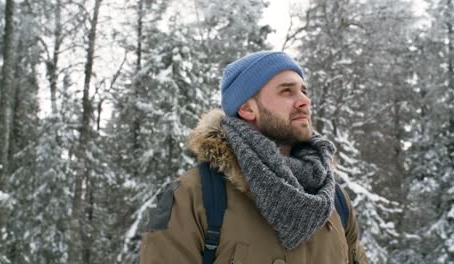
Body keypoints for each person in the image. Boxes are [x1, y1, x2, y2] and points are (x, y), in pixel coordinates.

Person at [140, 51, 369, 264]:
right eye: (287, 91)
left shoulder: (334, 200)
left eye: (304, 91)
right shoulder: (191, 197)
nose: (304, 101)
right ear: (247, 109)